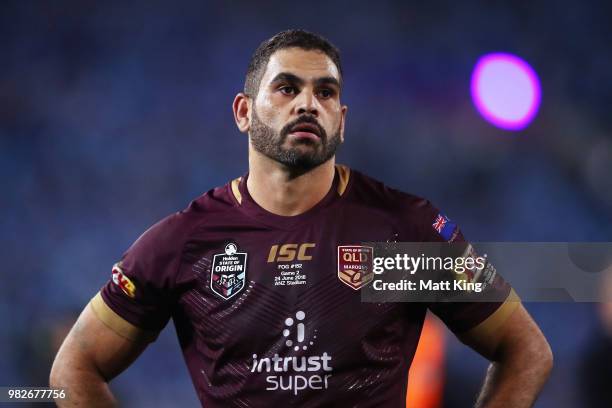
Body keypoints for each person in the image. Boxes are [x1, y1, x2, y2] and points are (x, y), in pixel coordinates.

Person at [50, 29, 553, 407]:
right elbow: (73, 367)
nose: (309, 103)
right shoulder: (186, 243)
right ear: (244, 112)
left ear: (342, 119)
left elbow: (525, 350)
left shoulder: (401, 233)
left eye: (326, 92)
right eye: (287, 88)